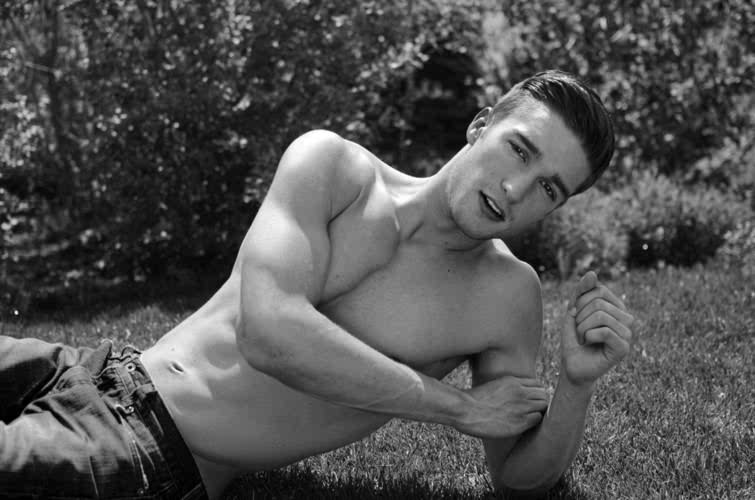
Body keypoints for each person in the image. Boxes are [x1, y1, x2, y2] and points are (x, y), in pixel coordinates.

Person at [0, 70, 635, 499]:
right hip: (95, 368)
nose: (518, 189)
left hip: (146, 450)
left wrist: (576, 387)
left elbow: (518, 478)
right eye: (520, 150)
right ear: (480, 126)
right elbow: (270, 333)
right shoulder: (332, 166)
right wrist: (460, 408)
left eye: (549, 188)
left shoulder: (505, 296)